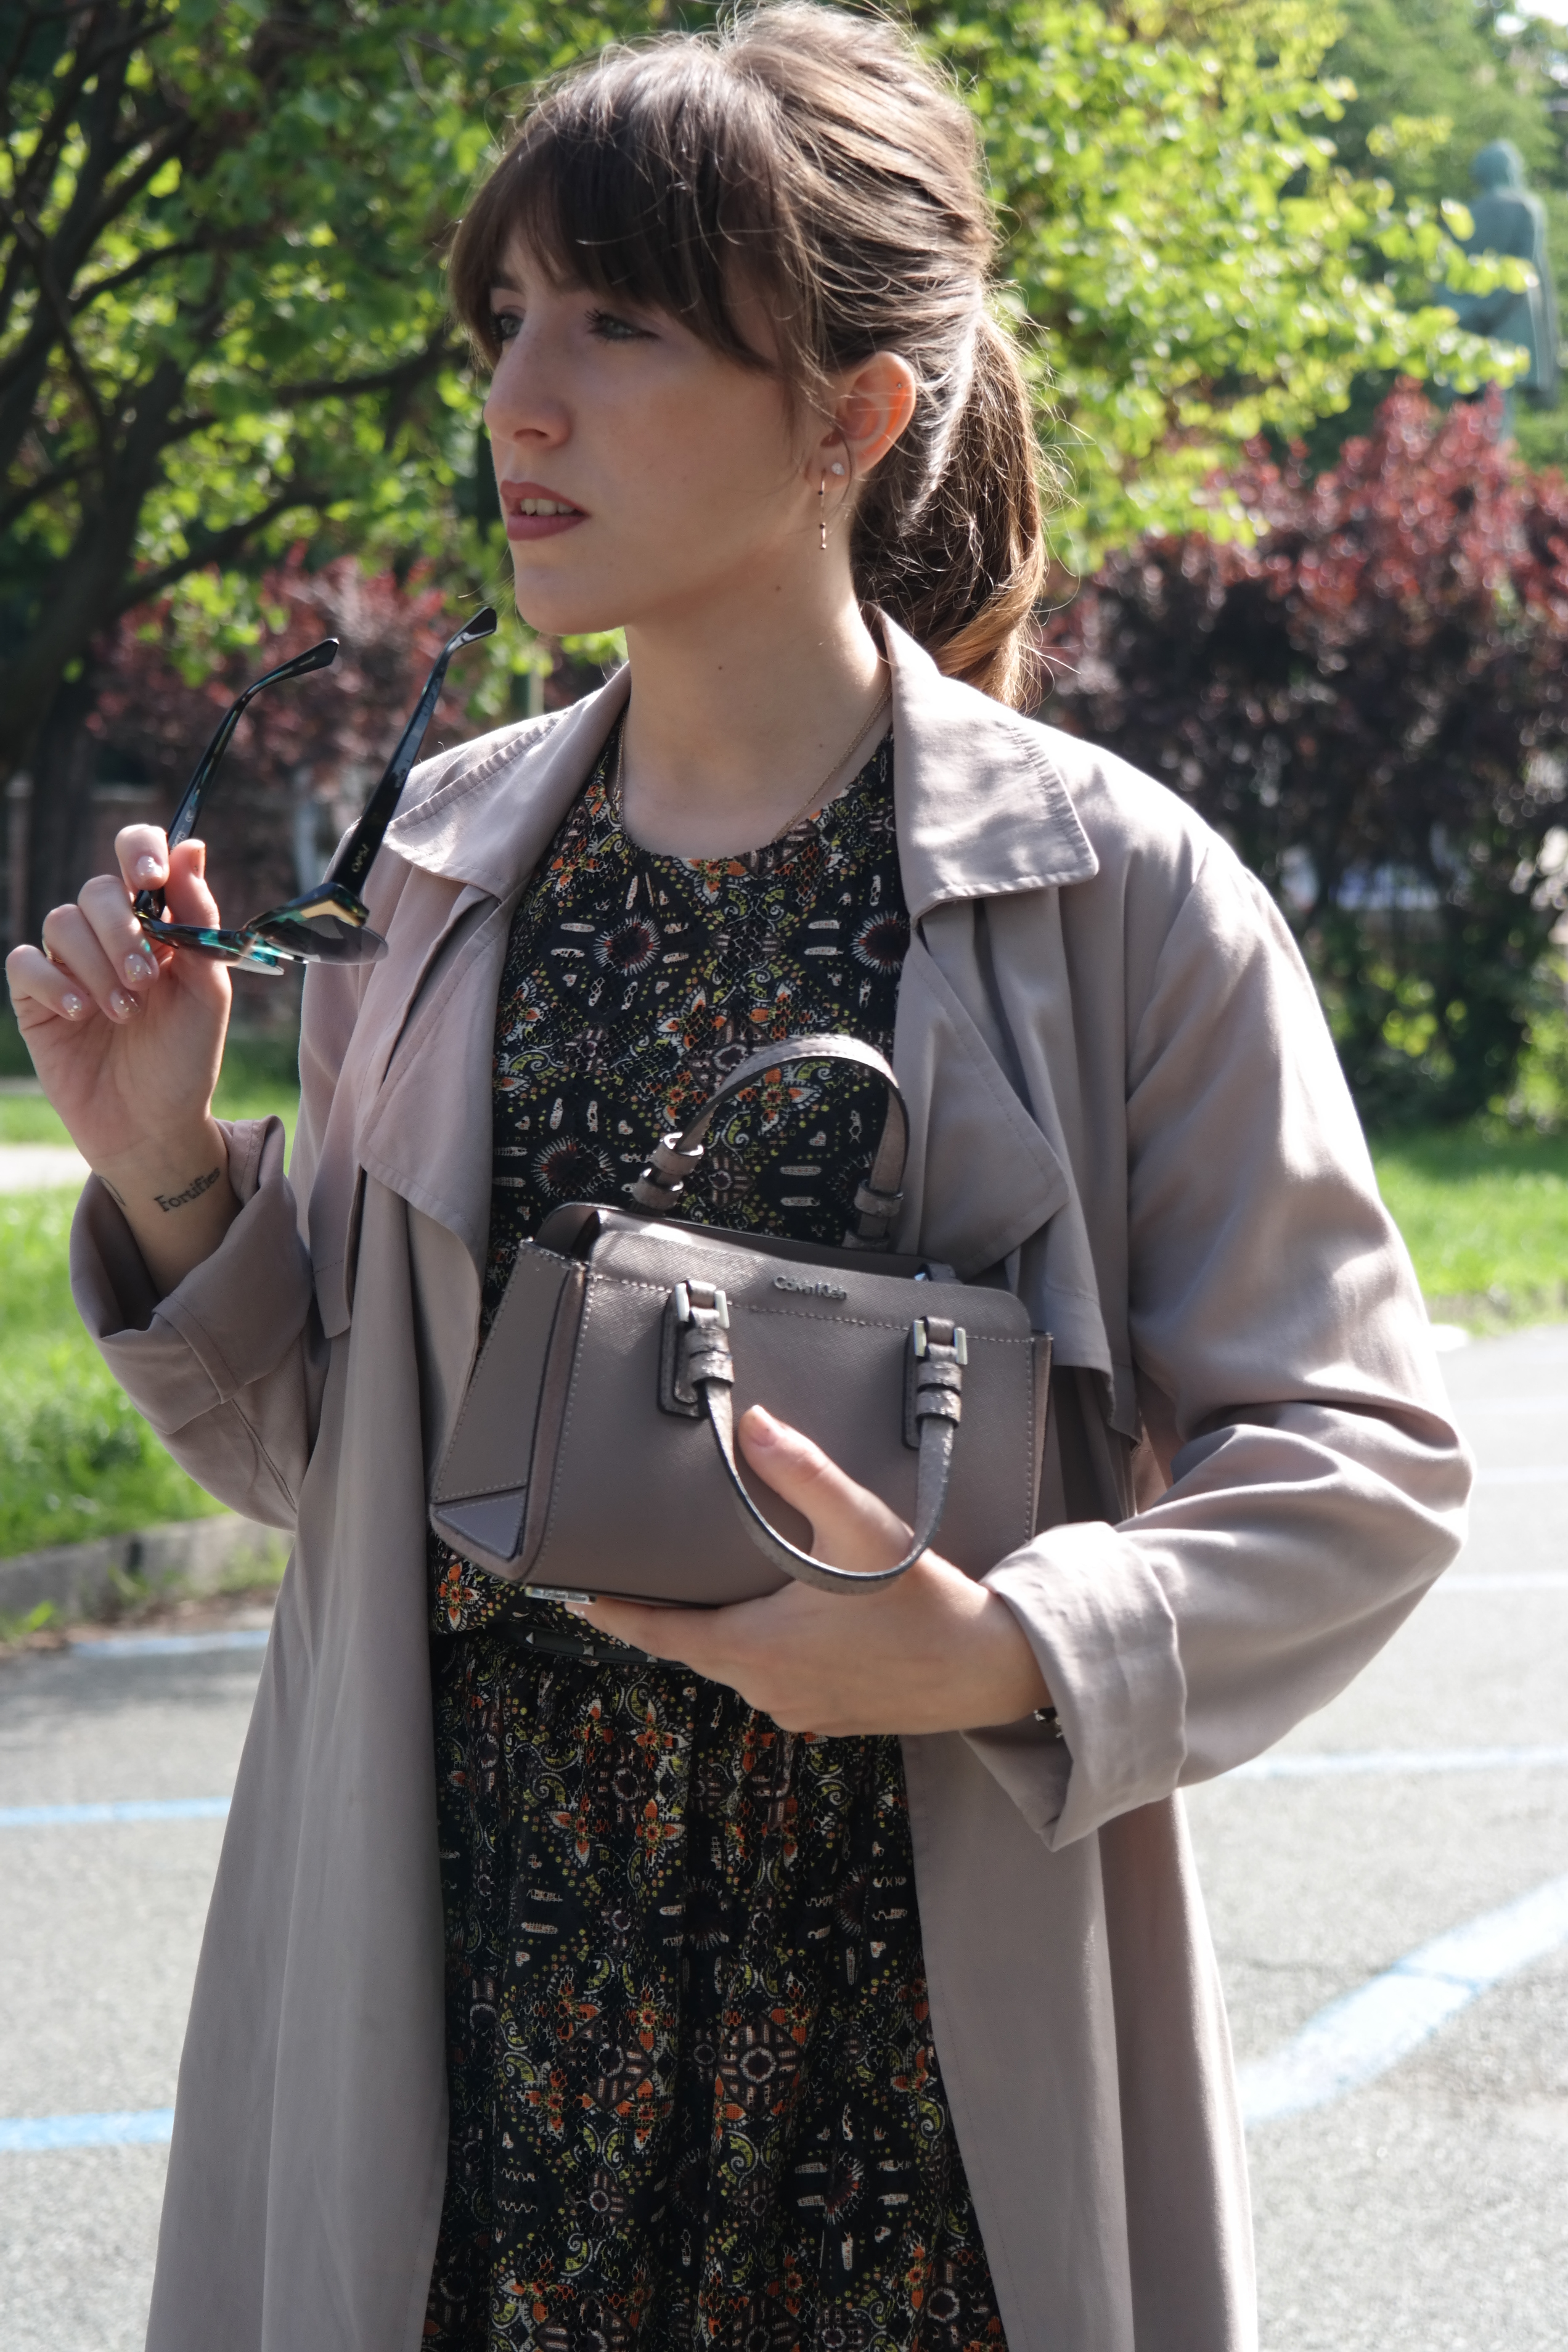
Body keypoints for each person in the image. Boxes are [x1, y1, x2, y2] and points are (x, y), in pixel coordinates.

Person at [6, 9, 1470, 2349]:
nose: (519, 400)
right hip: (468, 2030)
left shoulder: (1117, 895)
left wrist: (998, 1651)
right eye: (504, 320)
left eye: (618, 324)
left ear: (849, 419)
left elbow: (1360, 1460)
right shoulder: (432, 877)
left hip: (912, 2074)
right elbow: (349, 1475)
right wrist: (168, 1165)